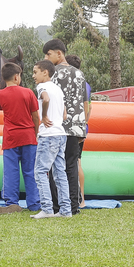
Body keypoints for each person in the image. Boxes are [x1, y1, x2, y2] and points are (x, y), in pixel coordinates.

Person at [42, 39, 87, 215]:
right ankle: (73, 206)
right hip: (75, 127)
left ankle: (57, 206)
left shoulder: (52, 74)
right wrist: (82, 128)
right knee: (71, 166)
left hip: (57, 127)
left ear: (59, 53)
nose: (46, 58)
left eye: (48, 54)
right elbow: (83, 103)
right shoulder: (79, 74)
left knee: (55, 167)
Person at [0, 61, 39, 214]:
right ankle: (34, 203)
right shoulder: (28, 92)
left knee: (10, 171)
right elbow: (35, 116)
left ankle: (11, 203)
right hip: (28, 137)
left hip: (10, 137)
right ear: (17, 77)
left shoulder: (0, 94)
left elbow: (1, 107)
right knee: (31, 171)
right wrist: (36, 134)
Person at [31, 60, 72, 219]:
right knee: (60, 173)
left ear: (45, 72)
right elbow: (64, 115)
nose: (33, 76)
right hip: (61, 134)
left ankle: (47, 208)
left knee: (40, 171)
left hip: (48, 135)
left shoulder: (42, 87)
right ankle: (65, 210)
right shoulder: (58, 89)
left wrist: (44, 115)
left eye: (35, 72)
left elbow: (46, 99)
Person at [66, 54, 92, 200]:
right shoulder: (85, 84)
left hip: (73, 127)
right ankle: (80, 198)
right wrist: (84, 123)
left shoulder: (73, 82)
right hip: (81, 127)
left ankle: (77, 197)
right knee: (77, 162)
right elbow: (89, 107)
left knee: (73, 163)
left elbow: (85, 105)